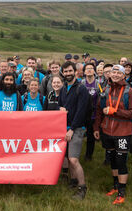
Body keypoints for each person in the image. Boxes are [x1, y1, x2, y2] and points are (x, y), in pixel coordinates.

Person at [93, 65, 132, 205]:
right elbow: (99, 110)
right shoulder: (106, 90)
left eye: (119, 72)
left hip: (123, 132)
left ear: (124, 75)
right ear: (109, 74)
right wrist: (96, 127)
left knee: (121, 161)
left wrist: (114, 111)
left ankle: (122, 192)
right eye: (114, 72)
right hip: (107, 131)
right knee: (112, 159)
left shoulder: (129, 92)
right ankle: (115, 186)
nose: (116, 74)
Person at [58, 61, 89, 200]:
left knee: (73, 159)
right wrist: (60, 109)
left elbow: (82, 111)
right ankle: (73, 180)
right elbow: (60, 104)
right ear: (63, 73)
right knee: (69, 159)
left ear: (75, 71)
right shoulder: (64, 87)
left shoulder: (81, 89)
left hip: (76, 128)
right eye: (65, 72)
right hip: (65, 128)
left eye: (70, 71)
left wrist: (72, 129)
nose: (68, 74)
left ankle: (82, 188)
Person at [81, 63, 100, 161]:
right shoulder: (81, 83)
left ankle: (88, 156)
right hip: (83, 114)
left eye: (91, 68)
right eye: (87, 69)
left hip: (93, 115)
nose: (89, 70)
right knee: (79, 135)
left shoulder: (98, 84)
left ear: (94, 71)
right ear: (84, 72)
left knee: (91, 137)